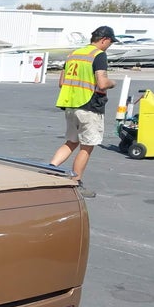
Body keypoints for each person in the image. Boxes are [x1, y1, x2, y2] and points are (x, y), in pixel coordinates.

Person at [49, 25, 118, 198]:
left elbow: (61, 82)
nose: (110, 46)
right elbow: (102, 83)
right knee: (87, 146)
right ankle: (76, 182)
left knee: (71, 142)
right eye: (110, 42)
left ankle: (50, 170)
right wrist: (113, 82)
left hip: (71, 105)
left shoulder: (74, 54)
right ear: (104, 40)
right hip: (89, 106)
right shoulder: (99, 55)